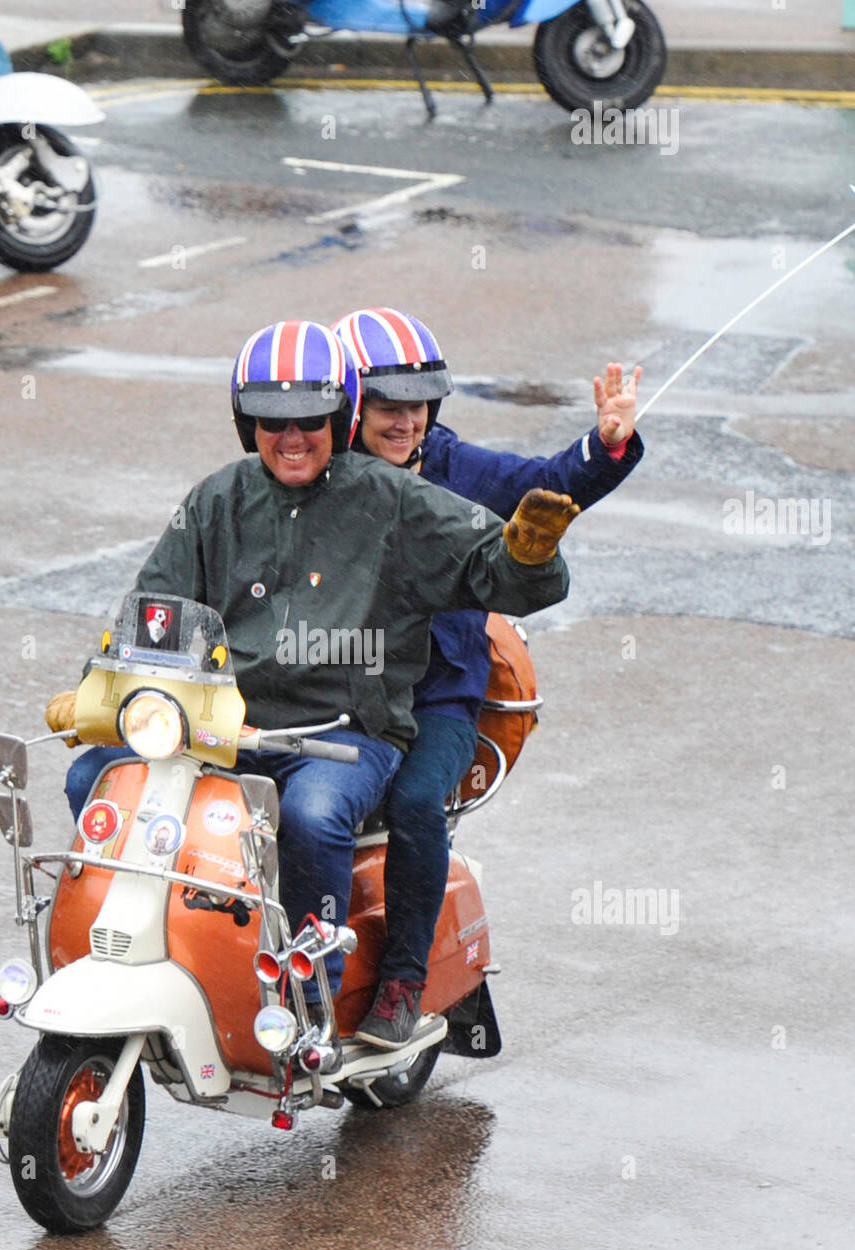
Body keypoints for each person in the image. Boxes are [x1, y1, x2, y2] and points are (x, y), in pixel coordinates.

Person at [49, 319, 579, 1056]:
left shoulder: (393, 500)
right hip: (224, 728)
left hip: (342, 736)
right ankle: (180, 943)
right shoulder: (216, 501)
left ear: (340, 419)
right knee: (94, 779)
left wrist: (528, 552)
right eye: (273, 422)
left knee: (313, 816)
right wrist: (103, 691)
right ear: (247, 424)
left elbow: (497, 568)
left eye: (311, 422)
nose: (292, 438)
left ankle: (312, 993)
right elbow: (153, 611)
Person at [331, 307, 644, 1048]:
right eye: (384, 404)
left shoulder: (449, 465)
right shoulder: (322, 470)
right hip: (339, 690)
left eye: (416, 403)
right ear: (346, 402)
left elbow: (545, 484)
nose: (404, 420)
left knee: (413, 803)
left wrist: (605, 443)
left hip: (438, 698)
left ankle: (404, 981)